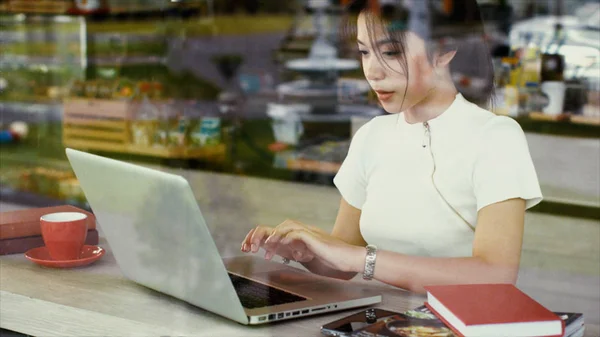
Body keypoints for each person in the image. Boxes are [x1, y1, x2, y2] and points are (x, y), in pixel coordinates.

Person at [240, 0, 542, 294]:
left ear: (446, 49)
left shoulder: (495, 136)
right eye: (363, 52)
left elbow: (496, 276)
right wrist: (304, 248)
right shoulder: (372, 136)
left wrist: (361, 259)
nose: (372, 71)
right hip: (385, 321)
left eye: (390, 52)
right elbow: (342, 262)